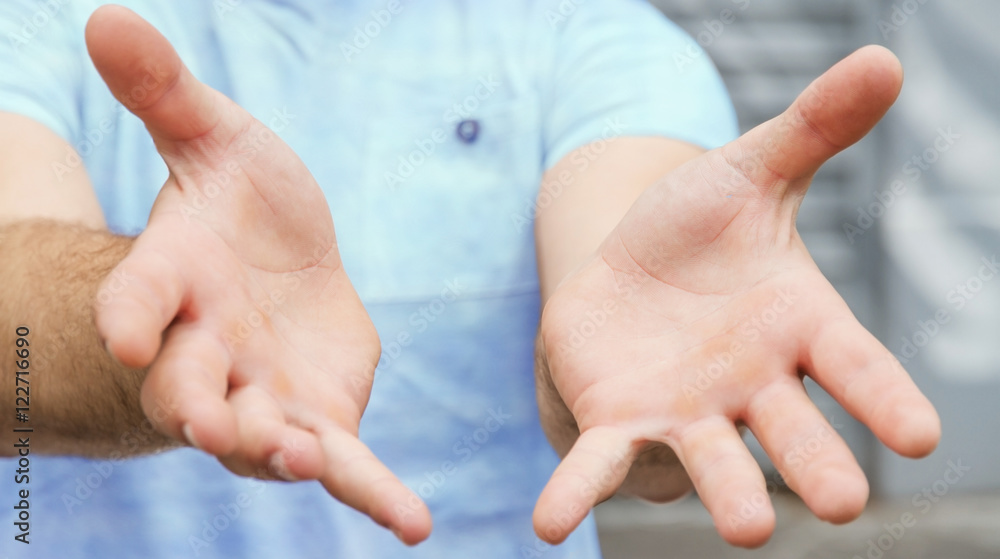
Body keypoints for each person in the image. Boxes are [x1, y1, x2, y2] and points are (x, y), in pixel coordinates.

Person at [0, 1, 940, 557]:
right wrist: (165, 333)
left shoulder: (591, 38)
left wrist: (651, 364)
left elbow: (627, 238)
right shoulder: (45, 23)